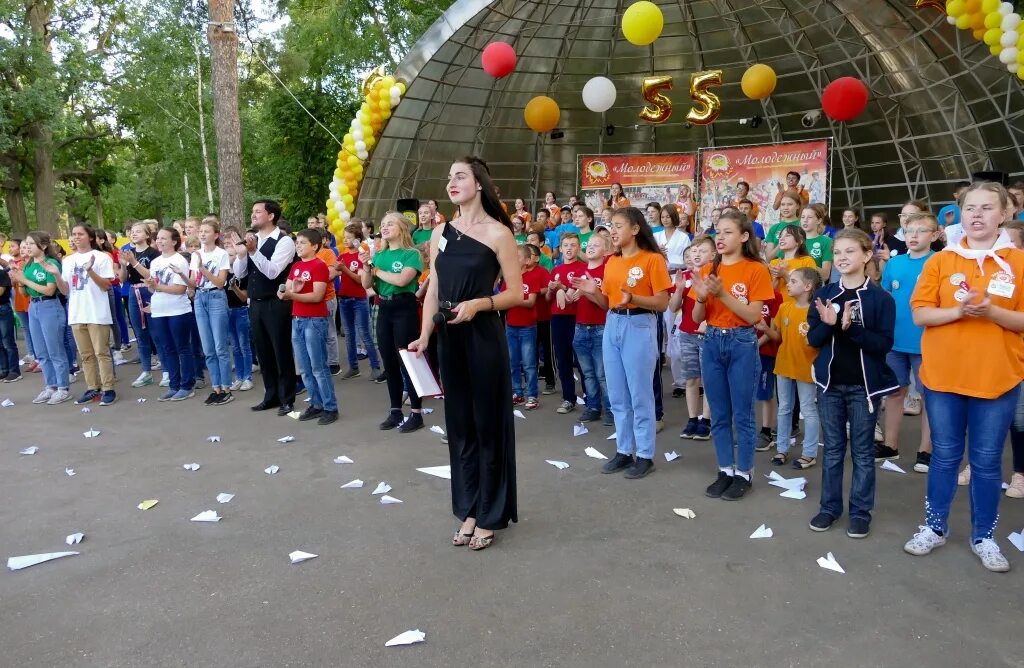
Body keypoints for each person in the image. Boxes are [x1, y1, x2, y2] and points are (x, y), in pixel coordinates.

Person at [903, 182, 1024, 573]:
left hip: (997, 378)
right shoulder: (940, 262)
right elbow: (921, 313)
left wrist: (992, 314)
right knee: (945, 457)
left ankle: (983, 536)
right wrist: (959, 313)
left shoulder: (1019, 263)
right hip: (942, 377)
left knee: (988, 462)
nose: (977, 215)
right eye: (970, 207)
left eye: (987, 208)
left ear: (1004, 213)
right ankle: (934, 527)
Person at [408, 156, 521, 552]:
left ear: (479, 183)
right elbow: (433, 287)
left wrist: (480, 304)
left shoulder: (499, 233)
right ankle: (469, 508)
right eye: (449, 177)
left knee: (487, 424)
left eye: (460, 176)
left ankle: (491, 513)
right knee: (459, 427)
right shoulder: (441, 230)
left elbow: (516, 293)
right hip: (448, 335)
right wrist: (424, 335)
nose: (451, 183)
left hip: (483, 335)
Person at [806, 228, 897, 538]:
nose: (842, 257)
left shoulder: (881, 298)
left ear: (867, 255)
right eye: (838, 253)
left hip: (863, 388)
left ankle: (860, 512)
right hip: (829, 385)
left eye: (850, 251)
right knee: (832, 450)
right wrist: (831, 325)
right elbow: (814, 339)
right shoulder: (823, 294)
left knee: (861, 452)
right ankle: (829, 508)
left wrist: (849, 329)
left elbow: (883, 345)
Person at [577, 207, 670, 479]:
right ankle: (623, 449)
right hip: (613, 322)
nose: (613, 231)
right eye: (611, 226)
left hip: (640, 324)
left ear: (635, 229)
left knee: (640, 393)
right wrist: (592, 292)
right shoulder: (613, 262)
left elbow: (662, 302)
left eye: (618, 226)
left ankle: (644, 455)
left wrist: (636, 299)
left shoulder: (652, 260)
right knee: (617, 394)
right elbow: (608, 301)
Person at [690, 211, 774, 500]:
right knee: (719, 411)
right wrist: (702, 297)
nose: (720, 237)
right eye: (718, 232)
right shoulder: (709, 269)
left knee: (743, 413)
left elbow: (753, 315)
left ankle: (744, 473)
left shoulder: (756, 269)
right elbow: (696, 316)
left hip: (741, 342)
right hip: (712, 340)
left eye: (727, 232)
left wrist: (723, 294)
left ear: (744, 236)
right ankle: (725, 469)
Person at [875, 212, 938, 472]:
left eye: (921, 231)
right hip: (895, 341)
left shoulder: (940, 262)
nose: (913, 236)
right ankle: (890, 444)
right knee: (893, 394)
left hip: (928, 342)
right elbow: (886, 298)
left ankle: (926, 450)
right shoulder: (895, 263)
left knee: (929, 397)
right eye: (909, 230)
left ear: (934, 235)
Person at [359, 212, 425, 433]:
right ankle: (395, 411)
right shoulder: (380, 255)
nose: (385, 228)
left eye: (390, 224)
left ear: (402, 229)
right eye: (383, 224)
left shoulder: (411, 254)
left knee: (406, 359)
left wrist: (376, 269)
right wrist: (368, 268)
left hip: (404, 307)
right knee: (389, 360)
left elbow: (402, 280)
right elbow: (367, 285)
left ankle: (416, 413)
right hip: (384, 306)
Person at [234, 200, 297, 415]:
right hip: (255, 303)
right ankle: (270, 396)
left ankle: (287, 398)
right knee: (264, 353)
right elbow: (240, 273)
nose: (253, 215)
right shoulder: (254, 239)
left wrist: (253, 253)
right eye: (252, 211)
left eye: (257, 212)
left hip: (275, 303)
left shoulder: (284, 241)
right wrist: (242, 255)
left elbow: (272, 272)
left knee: (281, 351)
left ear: (271, 216)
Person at [762, 267, 822, 468]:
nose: (788, 283)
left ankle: (809, 453)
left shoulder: (816, 310)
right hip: (784, 364)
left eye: (793, 281)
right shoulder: (784, 308)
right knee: (784, 408)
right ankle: (782, 449)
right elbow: (778, 337)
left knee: (808, 409)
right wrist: (765, 329)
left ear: (808, 286)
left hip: (806, 367)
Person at [280, 228, 338, 425]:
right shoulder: (296, 265)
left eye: (303, 243)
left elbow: (316, 296)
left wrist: (292, 294)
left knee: (318, 366)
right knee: (304, 368)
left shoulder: (319, 266)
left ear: (314, 246)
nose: (298, 245)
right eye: (297, 242)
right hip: (297, 319)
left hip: (314, 320)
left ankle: (330, 406)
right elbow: (284, 291)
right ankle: (316, 403)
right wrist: (290, 290)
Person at [59, 224, 116, 406]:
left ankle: (108, 388)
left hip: (97, 311)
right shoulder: (68, 261)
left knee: (101, 352)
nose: (76, 237)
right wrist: (55, 276)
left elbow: (107, 286)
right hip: (76, 312)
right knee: (85, 355)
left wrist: (90, 270)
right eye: (74, 234)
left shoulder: (101, 257)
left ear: (90, 237)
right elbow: (66, 289)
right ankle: (92, 387)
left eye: (80, 234)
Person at [9, 233, 70, 402]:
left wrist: (25, 281)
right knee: (41, 351)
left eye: (31, 244)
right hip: (33, 306)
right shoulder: (28, 264)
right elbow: (24, 293)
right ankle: (50, 386)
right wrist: (19, 280)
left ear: (43, 246)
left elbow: (50, 290)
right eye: (26, 244)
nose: (27, 247)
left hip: (50, 306)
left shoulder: (51, 263)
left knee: (55, 349)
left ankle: (63, 387)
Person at [183, 219, 233, 405]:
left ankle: (227, 387)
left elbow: (220, 282)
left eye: (206, 231)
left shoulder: (221, 254)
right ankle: (216, 387)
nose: (202, 234)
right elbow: (193, 282)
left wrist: (203, 268)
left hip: (216, 297)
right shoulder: (196, 255)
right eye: (201, 231)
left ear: (216, 234)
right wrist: (183, 277)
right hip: (200, 298)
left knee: (220, 347)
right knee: (208, 349)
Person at [146, 227, 196, 401]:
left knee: (182, 347)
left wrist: (158, 287)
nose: (159, 241)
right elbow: (153, 289)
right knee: (167, 348)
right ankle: (174, 385)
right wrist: (151, 285)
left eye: (163, 238)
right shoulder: (155, 262)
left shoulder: (179, 260)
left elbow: (180, 288)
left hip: (178, 310)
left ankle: (187, 385)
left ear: (174, 242)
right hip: (159, 310)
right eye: (158, 238)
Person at [672, 239, 713, 440]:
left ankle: (706, 420)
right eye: (694, 251)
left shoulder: (714, 277)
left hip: (707, 335)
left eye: (702, 251)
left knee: (708, 379)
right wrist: (679, 288)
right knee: (691, 378)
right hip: (687, 332)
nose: (696, 254)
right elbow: (672, 307)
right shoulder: (685, 277)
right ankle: (692, 419)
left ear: (712, 255)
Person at [569, 233, 611, 424]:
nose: (591, 247)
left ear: (606, 250)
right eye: (590, 244)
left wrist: (590, 292)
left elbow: (606, 305)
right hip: (580, 327)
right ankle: (593, 406)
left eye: (597, 244)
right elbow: (569, 298)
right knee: (587, 373)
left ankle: (611, 409)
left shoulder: (607, 271)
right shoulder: (580, 270)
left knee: (603, 374)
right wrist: (563, 292)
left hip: (601, 327)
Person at [336, 223, 382, 380]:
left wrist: (344, 270)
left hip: (358, 299)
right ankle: (353, 367)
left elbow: (360, 280)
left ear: (357, 239)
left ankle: (375, 366)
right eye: (344, 237)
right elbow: (334, 273)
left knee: (364, 333)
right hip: (343, 298)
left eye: (349, 237)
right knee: (349, 334)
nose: (346, 240)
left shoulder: (361, 256)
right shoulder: (342, 255)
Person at [120, 223, 161, 388]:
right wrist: (124, 264)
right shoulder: (129, 253)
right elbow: (123, 279)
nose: (134, 234)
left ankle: (166, 370)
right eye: (132, 232)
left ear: (147, 235)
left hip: (149, 290)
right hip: (133, 292)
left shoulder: (153, 253)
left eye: (138, 231)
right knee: (140, 332)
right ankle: (146, 371)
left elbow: (152, 275)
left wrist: (134, 262)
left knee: (156, 332)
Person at [547, 234, 583, 413]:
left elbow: (578, 296)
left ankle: (591, 397)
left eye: (573, 245)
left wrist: (563, 288)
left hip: (577, 317)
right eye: (566, 245)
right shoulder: (556, 270)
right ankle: (568, 397)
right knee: (563, 359)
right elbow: (548, 297)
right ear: (560, 249)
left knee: (582, 360)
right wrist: (552, 289)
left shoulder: (583, 268)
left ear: (578, 248)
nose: (569, 248)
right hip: (558, 317)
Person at [504, 246, 542, 409]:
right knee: (513, 362)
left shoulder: (532, 277)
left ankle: (532, 395)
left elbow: (531, 301)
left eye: (518, 256)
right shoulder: (509, 278)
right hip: (511, 326)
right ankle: (517, 392)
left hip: (527, 327)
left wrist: (514, 300)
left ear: (527, 261)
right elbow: (503, 298)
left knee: (528, 364)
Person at [222, 231, 254, 392]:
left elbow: (243, 297)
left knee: (244, 345)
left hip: (241, 310)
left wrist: (234, 287)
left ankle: (247, 377)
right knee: (234, 347)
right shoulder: (223, 271)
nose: (229, 249)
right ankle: (239, 377)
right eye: (226, 245)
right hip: (226, 311)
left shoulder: (244, 272)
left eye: (232, 247)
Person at [769, 225, 817, 303]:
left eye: (787, 235)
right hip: (777, 310)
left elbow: (809, 290)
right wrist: (777, 276)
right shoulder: (773, 263)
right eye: (781, 236)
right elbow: (769, 293)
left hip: (798, 308)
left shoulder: (807, 261)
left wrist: (784, 274)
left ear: (799, 241)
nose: (781, 238)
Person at [763, 191, 803, 258]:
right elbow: (768, 258)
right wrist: (781, 244)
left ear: (798, 206)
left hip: (798, 267)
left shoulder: (803, 225)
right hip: (777, 266)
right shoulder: (774, 228)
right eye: (783, 204)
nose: (785, 208)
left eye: (790, 204)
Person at [800, 204, 834, 282]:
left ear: (819, 220)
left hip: (814, 287)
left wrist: (807, 260)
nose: (805, 220)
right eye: (803, 217)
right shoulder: (794, 240)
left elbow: (825, 275)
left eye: (810, 217)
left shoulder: (827, 241)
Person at [655, 204, 690, 270]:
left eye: (668, 217)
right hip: (659, 272)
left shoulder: (684, 237)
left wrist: (667, 259)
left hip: (676, 274)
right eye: (662, 217)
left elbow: (688, 260)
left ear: (674, 217)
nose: (665, 220)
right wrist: (657, 252)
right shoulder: (656, 236)